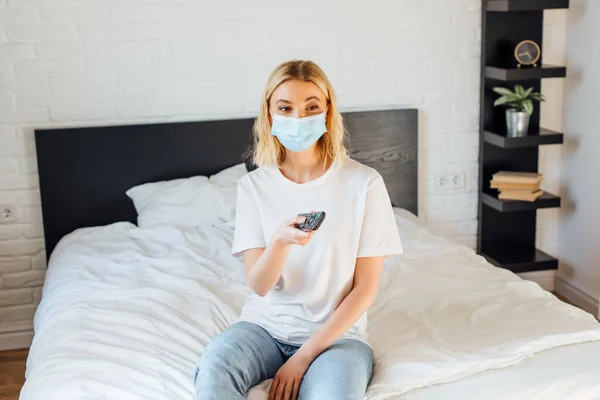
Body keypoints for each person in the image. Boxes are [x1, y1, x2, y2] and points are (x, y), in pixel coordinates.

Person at [194, 60, 403, 400]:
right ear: (270, 113)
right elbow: (259, 285)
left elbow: (365, 289)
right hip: (264, 329)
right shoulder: (253, 187)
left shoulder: (364, 184)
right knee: (214, 368)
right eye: (286, 107)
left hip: (338, 338)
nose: (299, 117)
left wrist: (304, 357)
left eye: (311, 107)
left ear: (327, 111)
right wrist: (278, 242)